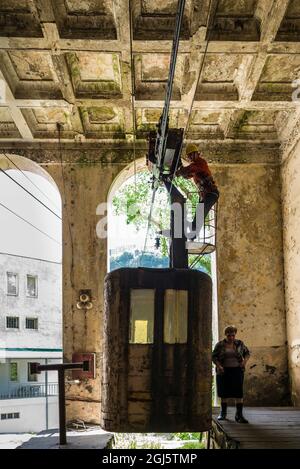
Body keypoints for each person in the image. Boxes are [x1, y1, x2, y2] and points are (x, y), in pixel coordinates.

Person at [176, 143, 219, 239]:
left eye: (191, 154)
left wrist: (179, 171)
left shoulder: (200, 162)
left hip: (211, 193)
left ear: (196, 153)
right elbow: (187, 175)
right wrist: (180, 169)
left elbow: (189, 169)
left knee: (200, 213)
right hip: (205, 195)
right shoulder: (195, 169)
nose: (190, 157)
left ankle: (192, 232)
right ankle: (193, 235)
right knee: (199, 214)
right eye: (189, 156)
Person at [212, 325, 250, 423]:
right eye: (229, 335)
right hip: (223, 371)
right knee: (224, 392)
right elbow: (214, 357)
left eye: (233, 335)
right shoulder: (220, 345)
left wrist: (244, 362)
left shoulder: (239, 343)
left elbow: (247, 353)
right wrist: (219, 366)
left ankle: (239, 415)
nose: (231, 337)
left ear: (235, 335)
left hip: (237, 370)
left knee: (238, 392)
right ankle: (223, 413)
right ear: (225, 335)